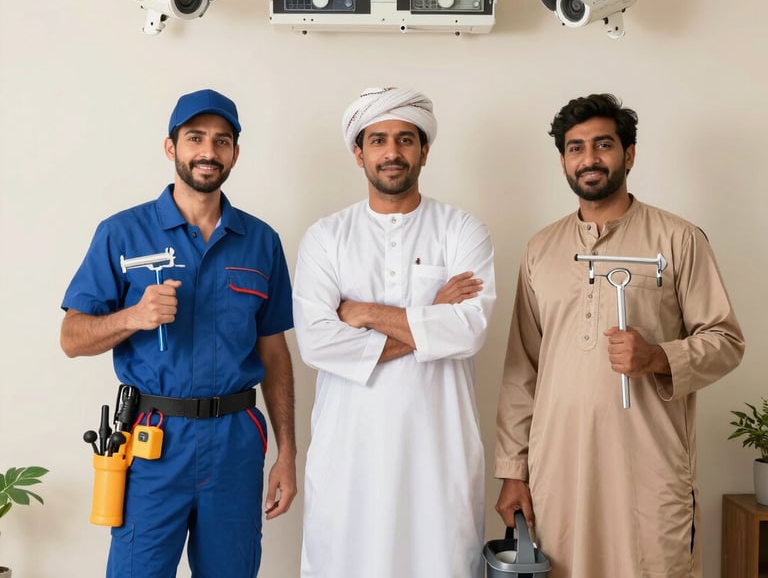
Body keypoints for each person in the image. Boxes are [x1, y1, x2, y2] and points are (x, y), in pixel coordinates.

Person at [493, 93, 745, 577]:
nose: (589, 159)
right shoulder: (540, 250)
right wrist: (512, 471)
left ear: (628, 154)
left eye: (603, 145)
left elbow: (726, 340)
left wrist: (657, 357)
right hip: (561, 471)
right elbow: (521, 369)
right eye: (575, 148)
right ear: (564, 161)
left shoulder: (678, 239)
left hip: (649, 469)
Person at [60, 89, 297, 577]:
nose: (208, 151)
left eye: (222, 140)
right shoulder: (121, 234)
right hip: (152, 443)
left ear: (234, 152)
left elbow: (274, 353)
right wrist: (132, 316)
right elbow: (71, 337)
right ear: (171, 148)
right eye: (195, 138)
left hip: (235, 442)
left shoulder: (261, 242)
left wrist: (288, 452)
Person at [292, 87, 496, 578]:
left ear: (424, 150)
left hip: (437, 454)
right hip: (349, 457)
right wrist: (429, 318)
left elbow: (469, 330)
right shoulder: (325, 238)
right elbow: (317, 341)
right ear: (358, 153)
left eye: (405, 139)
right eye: (378, 140)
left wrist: (362, 311)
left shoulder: (463, 230)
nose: (392, 152)